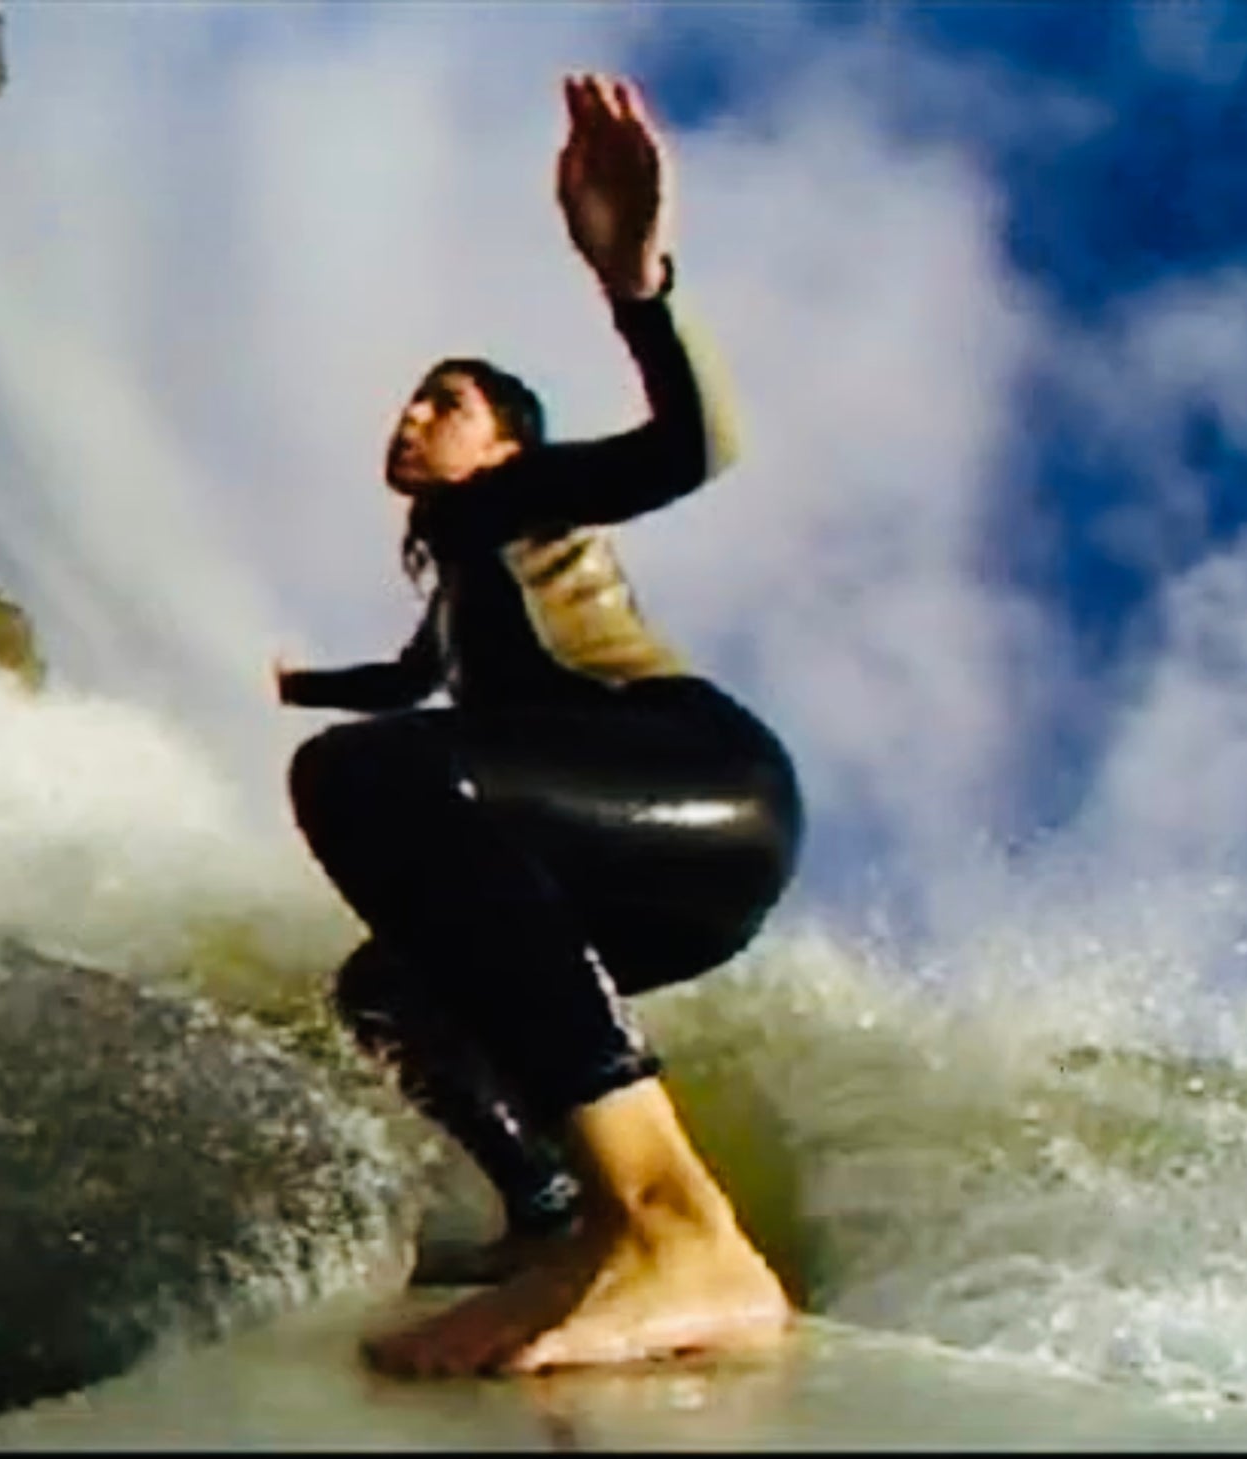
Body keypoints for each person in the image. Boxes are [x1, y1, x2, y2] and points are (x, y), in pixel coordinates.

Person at [275, 72, 803, 1376]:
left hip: (696, 786)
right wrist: (302, 685)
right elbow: (411, 678)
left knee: (365, 781)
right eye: (410, 400)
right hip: (632, 859)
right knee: (388, 989)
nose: (410, 417)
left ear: (508, 441)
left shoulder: (517, 498)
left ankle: (675, 1224)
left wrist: (638, 285)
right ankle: (558, 1219)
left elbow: (695, 449)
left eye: (442, 403)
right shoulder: (458, 575)